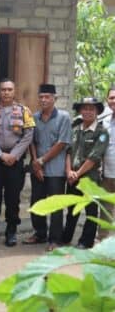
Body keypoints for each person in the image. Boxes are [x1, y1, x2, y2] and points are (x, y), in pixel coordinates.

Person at [26, 84, 72, 251]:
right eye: (41, 97)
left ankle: (55, 239)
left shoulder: (64, 117)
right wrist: (35, 163)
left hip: (56, 171)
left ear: (55, 99)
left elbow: (62, 143)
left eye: (47, 97)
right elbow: (32, 141)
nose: (44, 100)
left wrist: (42, 161)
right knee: (36, 202)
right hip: (38, 169)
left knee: (55, 205)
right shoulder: (35, 117)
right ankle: (39, 233)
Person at [0, 78, 35, 246]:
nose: (6, 92)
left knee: (12, 197)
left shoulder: (24, 111)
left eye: (9, 89)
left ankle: (11, 231)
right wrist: (1, 154)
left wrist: (14, 155)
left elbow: (28, 135)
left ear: (14, 91)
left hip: (15, 162)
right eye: (3, 89)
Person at [62, 97, 109, 249]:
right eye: (85, 108)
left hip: (90, 179)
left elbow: (94, 157)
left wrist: (78, 173)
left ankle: (85, 241)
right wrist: (69, 171)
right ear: (80, 111)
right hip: (72, 178)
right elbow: (68, 151)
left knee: (90, 211)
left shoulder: (101, 133)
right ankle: (66, 237)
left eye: (91, 109)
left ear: (97, 112)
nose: (87, 112)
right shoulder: (75, 129)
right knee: (72, 209)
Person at [100, 86, 115, 240]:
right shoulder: (104, 121)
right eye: (111, 98)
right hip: (108, 174)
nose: (114, 101)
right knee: (105, 209)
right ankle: (102, 242)